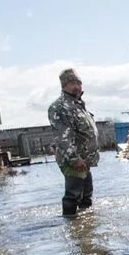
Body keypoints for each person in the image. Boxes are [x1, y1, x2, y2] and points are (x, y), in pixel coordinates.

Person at [48, 68, 99, 216]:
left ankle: (86, 229)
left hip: (85, 160)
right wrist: (74, 159)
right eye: (72, 83)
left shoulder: (78, 104)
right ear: (64, 85)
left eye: (79, 83)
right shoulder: (60, 107)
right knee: (72, 195)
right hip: (74, 161)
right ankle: (72, 229)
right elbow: (62, 137)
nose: (77, 86)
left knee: (86, 195)